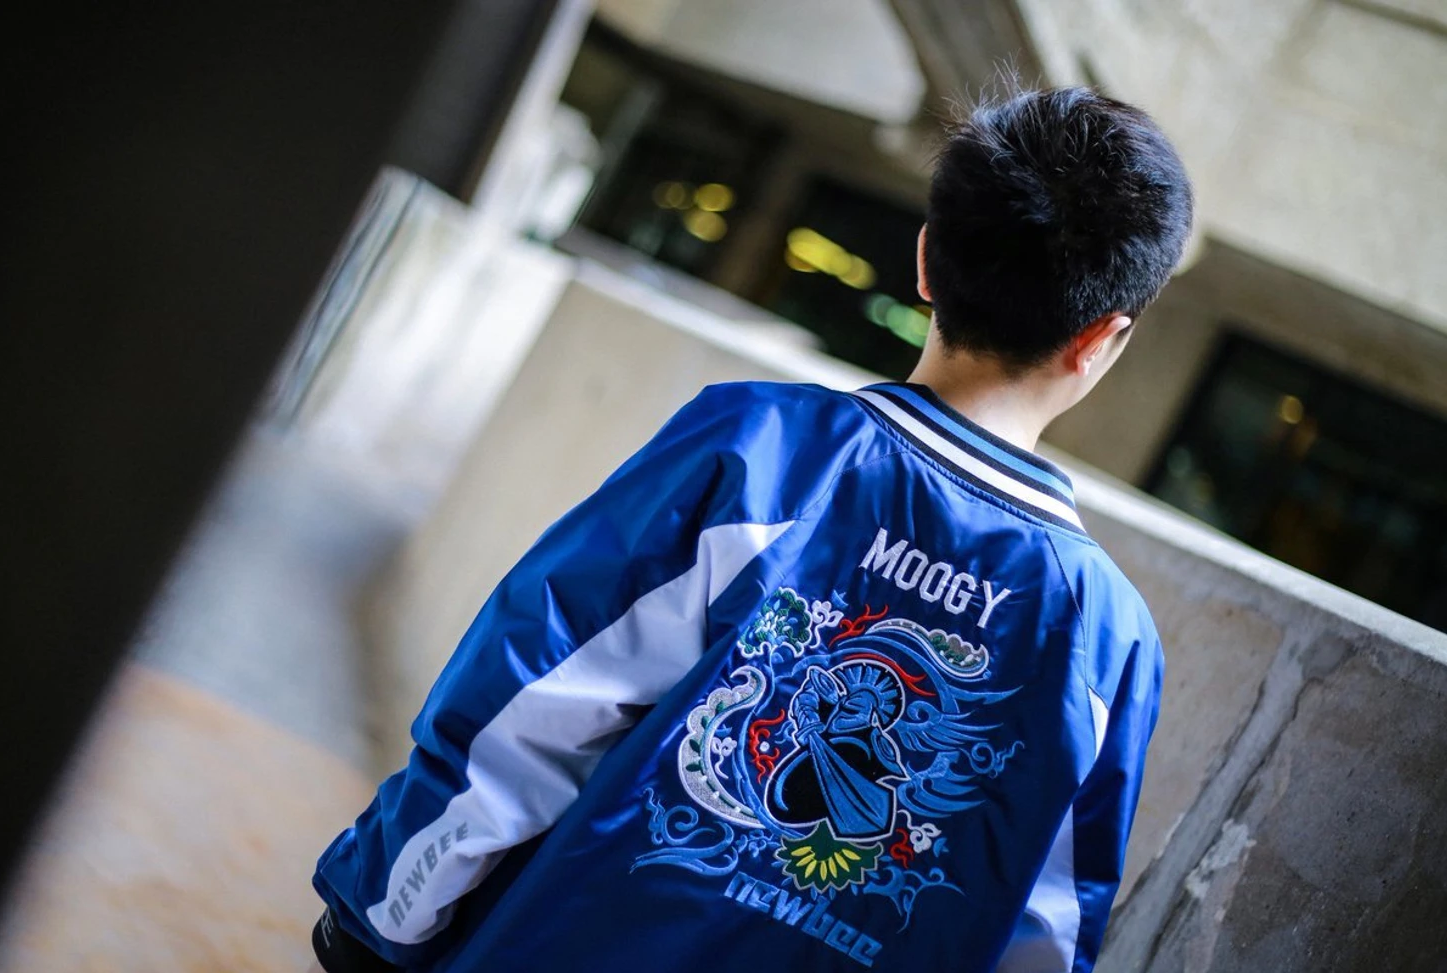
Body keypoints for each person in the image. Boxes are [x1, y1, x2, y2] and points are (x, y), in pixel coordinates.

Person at [309, 83, 1192, 973]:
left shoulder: (759, 450)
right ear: (1101, 337)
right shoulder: (1108, 641)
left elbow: (534, 696)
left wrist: (387, 907)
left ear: (926, 260)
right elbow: (1046, 939)